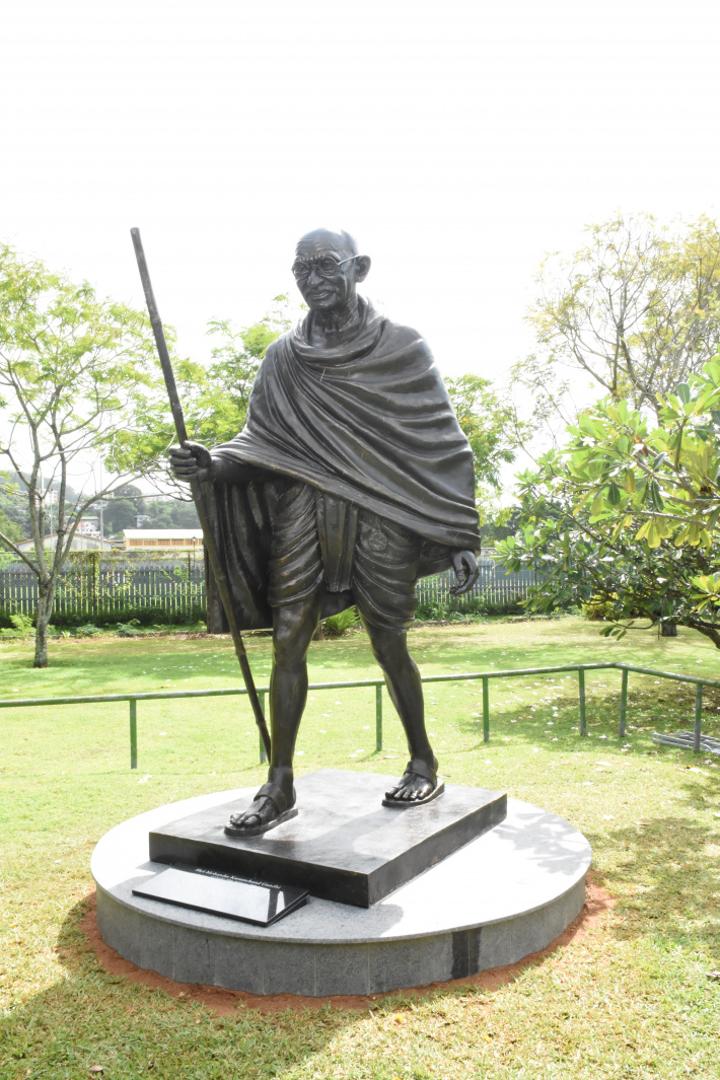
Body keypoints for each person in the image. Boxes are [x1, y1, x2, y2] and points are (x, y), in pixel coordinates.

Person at [170, 228, 480, 837]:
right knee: (289, 639)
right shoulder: (283, 358)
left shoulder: (403, 348)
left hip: (379, 515)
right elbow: (256, 447)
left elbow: (443, 443)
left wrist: (462, 532)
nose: (313, 278)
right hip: (304, 511)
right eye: (301, 268)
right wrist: (210, 466)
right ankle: (279, 783)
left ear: (359, 268)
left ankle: (422, 759)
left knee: (388, 641)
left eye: (325, 265)